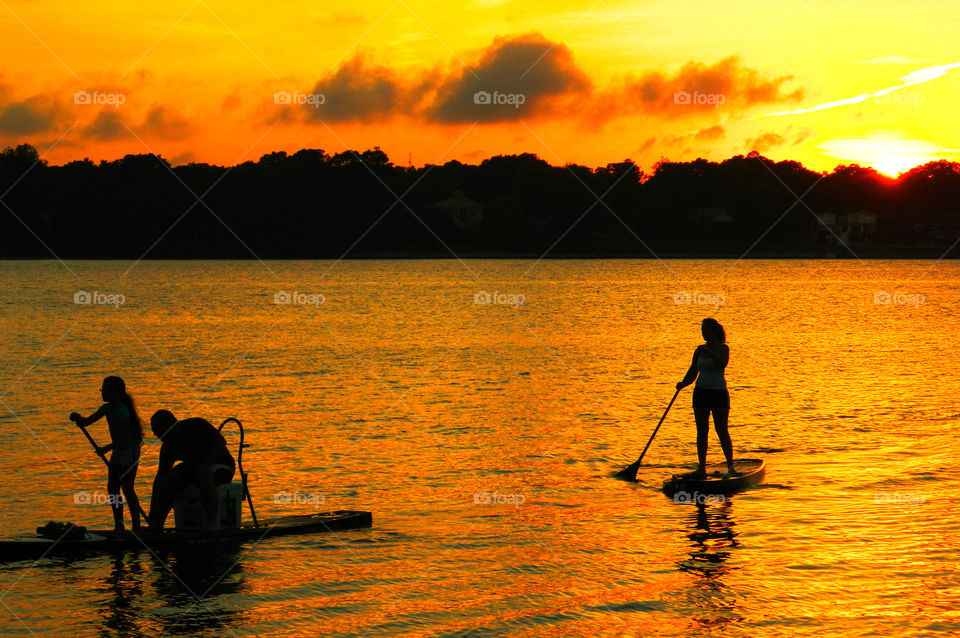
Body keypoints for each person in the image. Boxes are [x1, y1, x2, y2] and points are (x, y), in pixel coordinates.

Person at [69, 375, 144, 531]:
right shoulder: (106, 408)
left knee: (127, 488)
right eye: (102, 389)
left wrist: (105, 449)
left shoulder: (122, 410)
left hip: (129, 451)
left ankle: (136, 527)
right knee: (112, 488)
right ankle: (119, 526)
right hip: (118, 450)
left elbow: (125, 439)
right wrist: (78, 418)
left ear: (117, 393)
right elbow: (87, 422)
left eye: (107, 390)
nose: (103, 393)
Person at [148, 410, 235, 529]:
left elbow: (221, 441)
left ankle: (211, 524)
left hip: (222, 464)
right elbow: (160, 477)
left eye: (156, 429)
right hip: (195, 467)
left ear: (168, 424)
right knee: (169, 480)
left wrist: (206, 464)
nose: (155, 434)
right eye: (153, 431)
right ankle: (157, 524)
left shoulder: (196, 425)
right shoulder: (167, 447)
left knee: (203, 473)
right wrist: (152, 510)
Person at [675, 318, 739, 479]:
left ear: (715, 332)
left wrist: (710, 353)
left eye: (707, 330)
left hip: (718, 393)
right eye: (703, 330)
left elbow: (722, 364)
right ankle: (701, 468)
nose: (704, 333)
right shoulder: (699, 350)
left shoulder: (723, 348)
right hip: (701, 393)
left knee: (721, 430)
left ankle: (731, 467)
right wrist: (683, 383)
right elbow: (693, 371)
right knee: (702, 431)